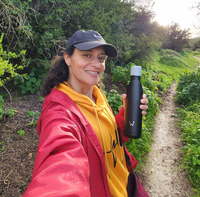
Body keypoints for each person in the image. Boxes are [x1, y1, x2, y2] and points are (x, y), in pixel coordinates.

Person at [23, 30, 149, 197]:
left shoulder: (97, 95)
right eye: (87, 55)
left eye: (101, 58)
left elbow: (111, 139)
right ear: (67, 58)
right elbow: (61, 169)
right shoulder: (59, 113)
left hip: (127, 187)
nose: (97, 64)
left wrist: (127, 118)